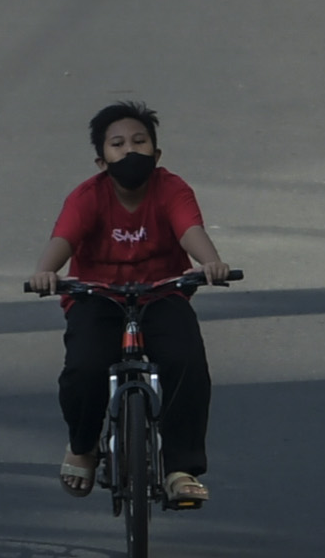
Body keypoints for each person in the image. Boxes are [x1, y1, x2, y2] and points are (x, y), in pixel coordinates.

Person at [33, 101, 234, 508]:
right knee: (84, 367)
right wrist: (45, 272)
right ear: (100, 159)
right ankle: (83, 446)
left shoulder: (172, 189)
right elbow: (64, 239)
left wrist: (209, 262)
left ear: (156, 154)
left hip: (162, 293)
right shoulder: (88, 196)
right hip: (96, 295)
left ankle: (182, 468)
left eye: (140, 142)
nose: (130, 151)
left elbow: (188, 228)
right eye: (118, 144)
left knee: (186, 360)